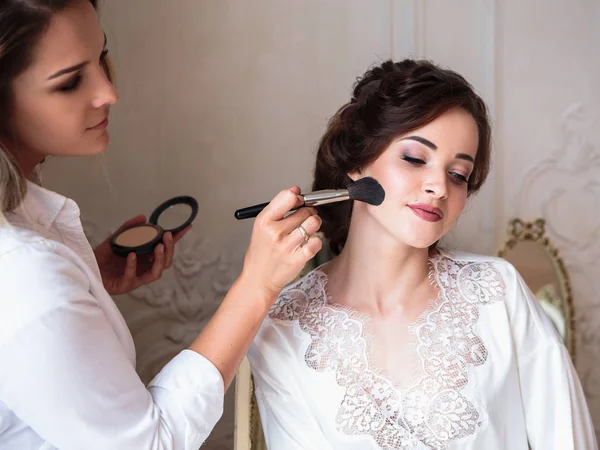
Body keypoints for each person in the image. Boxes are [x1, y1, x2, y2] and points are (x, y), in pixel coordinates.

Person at [0, 1, 322, 449]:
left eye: (101, 57)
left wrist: (85, 280)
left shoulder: (28, 253)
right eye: (71, 81)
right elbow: (152, 442)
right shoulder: (25, 275)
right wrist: (257, 287)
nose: (108, 92)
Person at [247, 59, 598, 449]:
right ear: (357, 160)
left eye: (459, 174)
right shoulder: (281, 325)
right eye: (415, 158)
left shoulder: (498, 292)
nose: (438, 187)